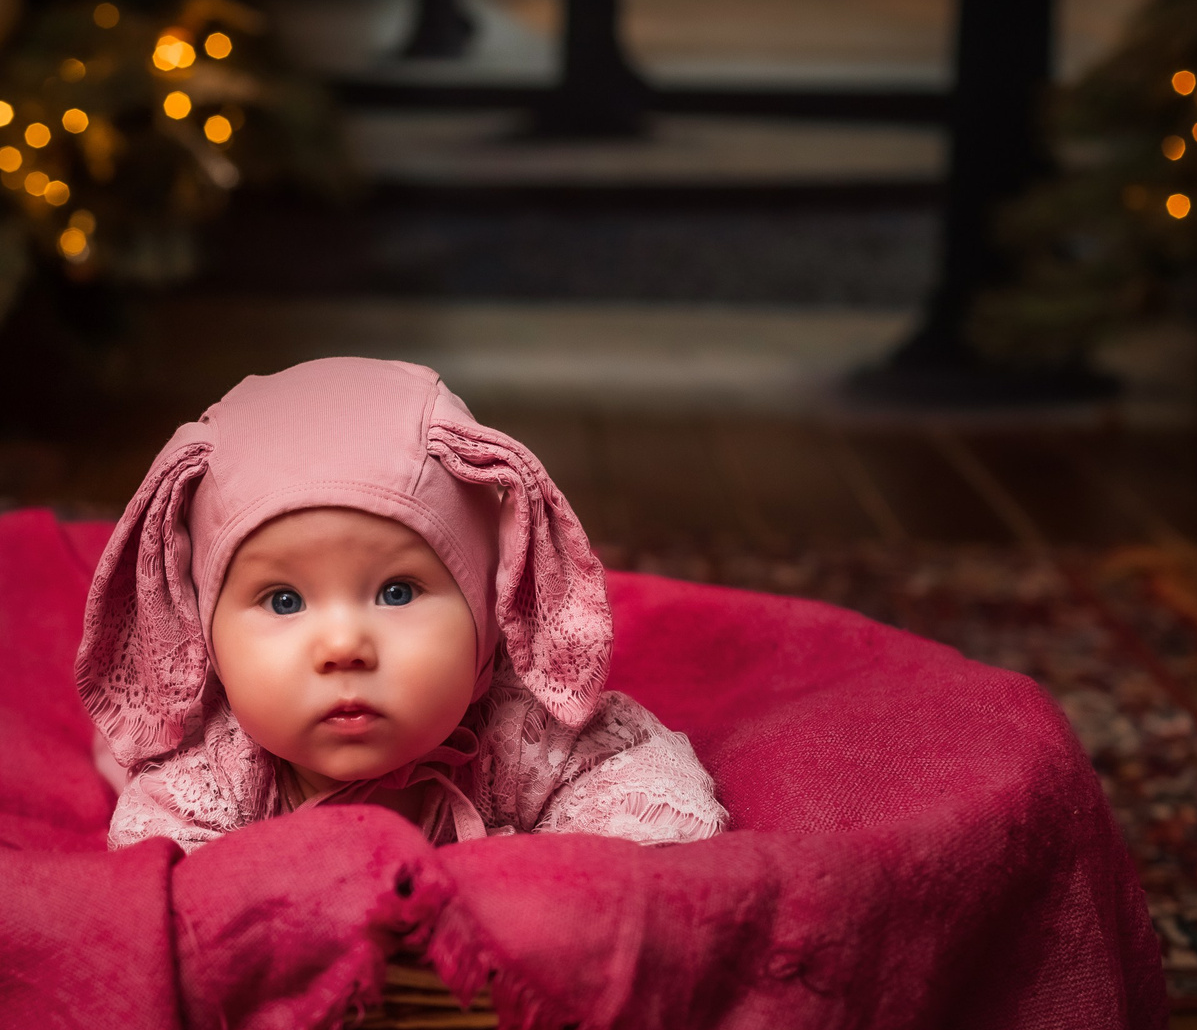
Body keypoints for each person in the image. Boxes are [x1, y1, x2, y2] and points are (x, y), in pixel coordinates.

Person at [77, 356, 727, 851]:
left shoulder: (517, 735)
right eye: (282, 600)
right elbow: (169, 886)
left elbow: (657, 805)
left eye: (396, 591)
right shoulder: (208, 770)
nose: (343, 647)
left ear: (486, 612)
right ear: (208, 636)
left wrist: (537, 887)